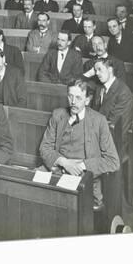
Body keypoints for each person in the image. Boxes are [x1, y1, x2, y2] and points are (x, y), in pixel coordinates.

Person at [39, 79, 120, 209]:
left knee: (68, 205)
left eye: (78, 97)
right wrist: (64, 162)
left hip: (84, 178)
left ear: (87, 100)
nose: (73, 102)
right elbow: (44, 147)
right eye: (70, 96)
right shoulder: (58, 115)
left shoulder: (99, 121)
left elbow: (113, 161)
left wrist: (80, 166)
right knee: (31, 191)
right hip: (56, 169)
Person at [91, 58, 133, 149]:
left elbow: (115, 126)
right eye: (95, 70)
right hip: (99, 133)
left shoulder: (123, 92)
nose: (96, 73)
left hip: (113, 141)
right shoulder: (100, 87)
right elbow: (93, 113)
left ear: (110, 69)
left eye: (99, 69)